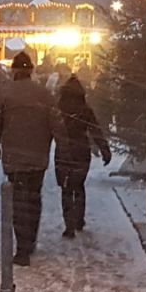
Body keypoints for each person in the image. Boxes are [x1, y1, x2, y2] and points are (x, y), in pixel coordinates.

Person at [0, 52, 61, 266]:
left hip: (14, 156)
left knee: (18, 201)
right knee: (33, 198)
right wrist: (62, 146)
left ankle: (22, 247)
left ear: (14, 70)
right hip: (38, 156)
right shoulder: (44, 94)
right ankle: (30, 239)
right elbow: (57, 123)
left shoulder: (5, 93)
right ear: (31, 70)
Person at [53, 75, 111, 238]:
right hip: (81, 151)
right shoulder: (85, 109)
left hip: (63, 151)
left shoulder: (58, 107)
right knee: (78, 186)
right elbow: (95, 130)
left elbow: (50, 129)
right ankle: (79, 219)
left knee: (66, 188)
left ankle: (69, 225)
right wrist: (104, 149)